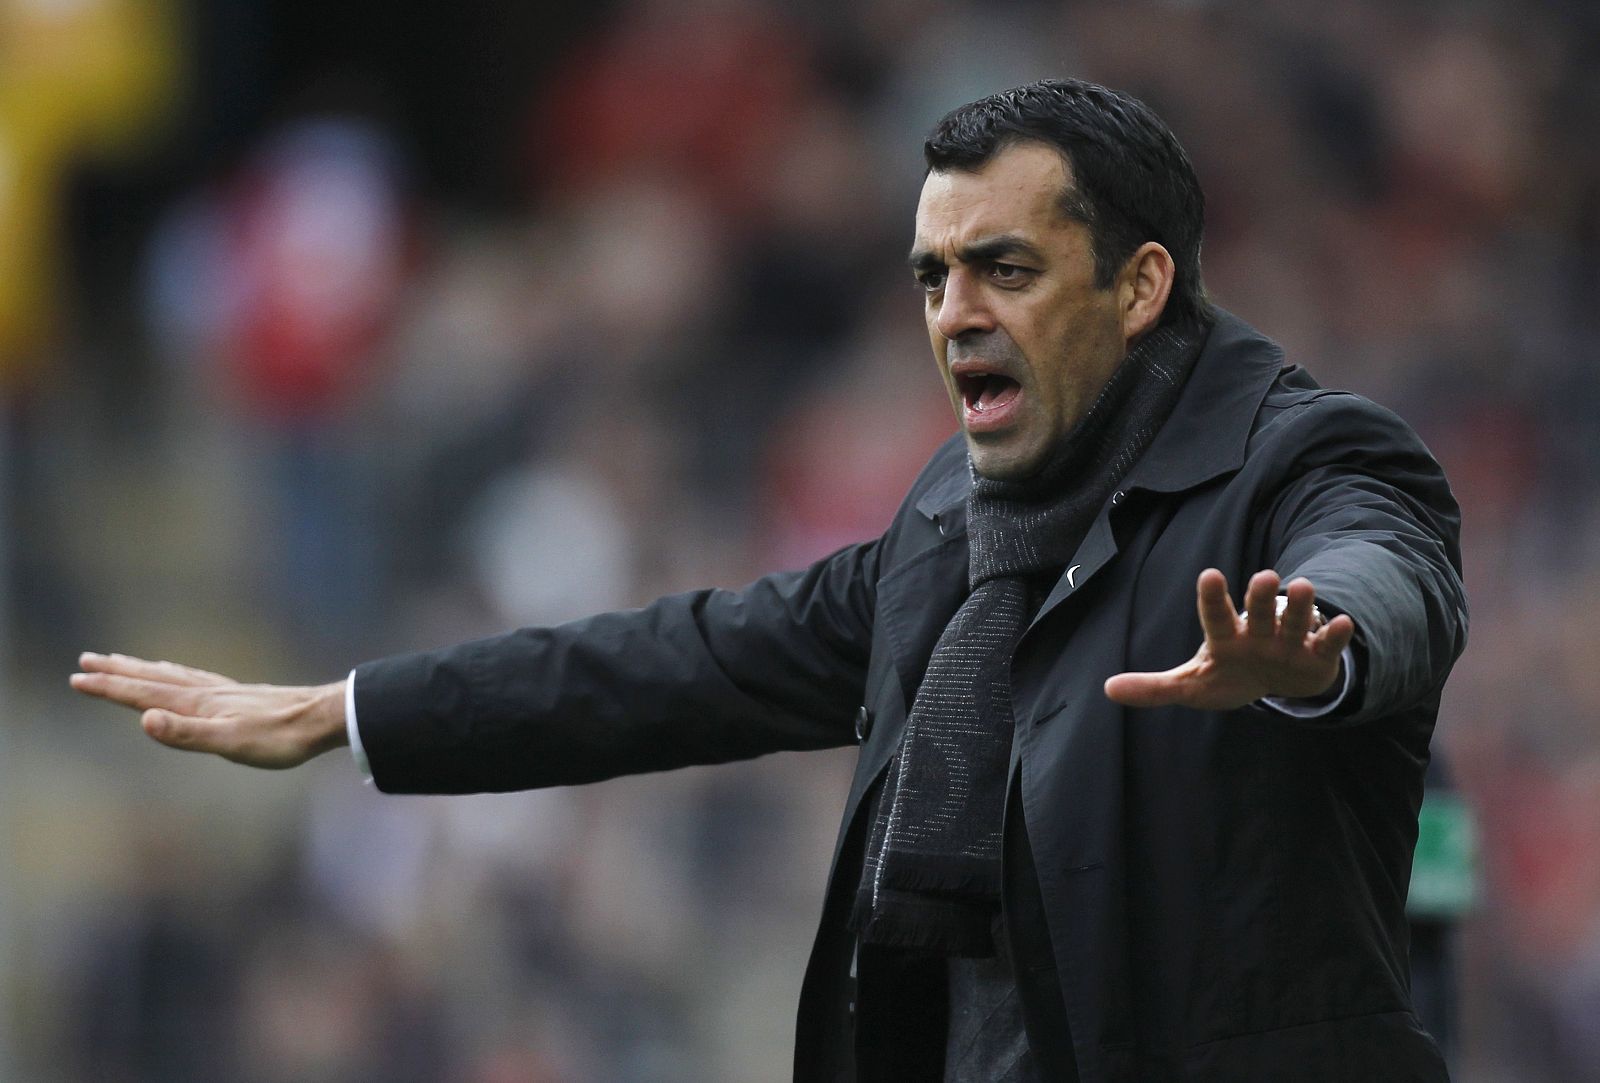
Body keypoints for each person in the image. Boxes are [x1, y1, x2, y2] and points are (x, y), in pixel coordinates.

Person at [72, 80, 1467, 1081]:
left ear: (1142, 284)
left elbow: (1386, 571)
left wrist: (1320, 647)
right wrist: (354, 714)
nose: (954, 314)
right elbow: (681, 665)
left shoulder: (1304, 455)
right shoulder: (954, 523)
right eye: (931, 277)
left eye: (1003, 268)